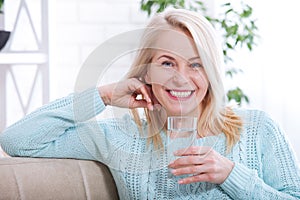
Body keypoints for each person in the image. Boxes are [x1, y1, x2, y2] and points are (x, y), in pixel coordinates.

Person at [0, 8, 300, 199]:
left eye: (196, 65)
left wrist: (231, 175)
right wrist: (103, 95)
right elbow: (18, 141)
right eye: (168, 63)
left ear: (211, 72)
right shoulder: (120, 137)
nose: (181, 79)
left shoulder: (257, 128)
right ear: (147, 70)